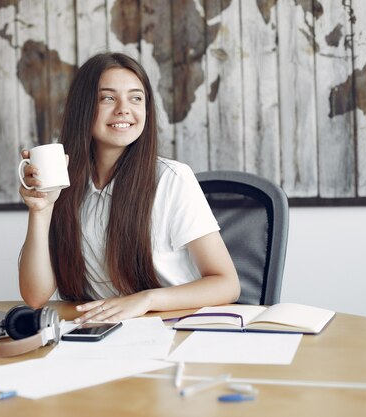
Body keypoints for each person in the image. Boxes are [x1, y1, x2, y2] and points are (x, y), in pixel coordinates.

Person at [18, 52, 239, 324]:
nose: (124, 108)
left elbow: (227, 284)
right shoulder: (65, 183)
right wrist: (41, 210)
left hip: (171, 328)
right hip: (98, 334)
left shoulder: (172, 179)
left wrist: (147, 299)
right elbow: (35, 296)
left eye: (136, 98)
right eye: (108, 98)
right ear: (83, 108)